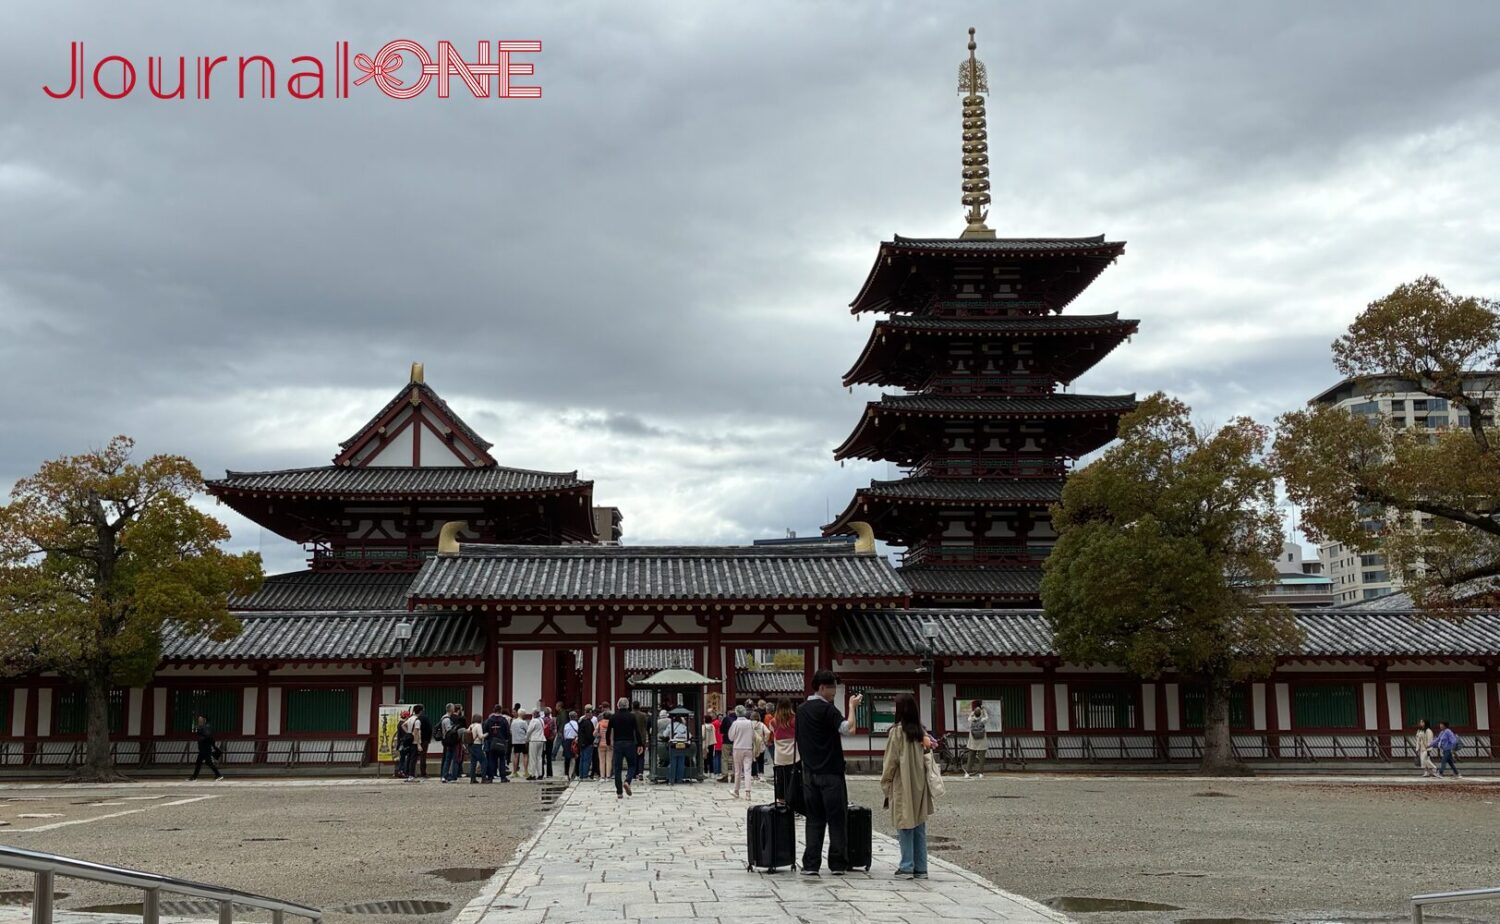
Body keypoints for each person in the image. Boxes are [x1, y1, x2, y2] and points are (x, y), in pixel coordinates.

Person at [795, 670, 862, 876]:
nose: (834, 692)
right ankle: (838, 863)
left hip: (809, 773)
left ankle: (811, 864)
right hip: (831, 772)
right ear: (822, 687)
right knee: (836, 819)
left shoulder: (802, 710)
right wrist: (852, 707)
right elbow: (847, 728)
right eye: (832, 687)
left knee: (814, 819)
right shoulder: (828, 710)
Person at [881, 692, 935, 879]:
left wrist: (885, 783)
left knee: (904, 824)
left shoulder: (896, 732)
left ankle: (906, 865)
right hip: (920, 783)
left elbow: (891, 762)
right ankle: (921, 867)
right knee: (919, 825)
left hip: (902, 783)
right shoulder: (922, 732)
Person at [607, 696, 641, 798]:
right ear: (628, 705)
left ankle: (619, 792)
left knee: (617, 768)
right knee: (632, 765)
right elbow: (637, 731)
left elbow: (608, 731)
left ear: (618, 705)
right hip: (630, 743)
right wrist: (640, 744)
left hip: (618, 743)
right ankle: (627, 781)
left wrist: (608, 743)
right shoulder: (632, 716)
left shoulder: (613, 717)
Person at [727, 704, 758, 799]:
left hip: (737, 748)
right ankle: (748, 792)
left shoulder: (735, 723)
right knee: (747, 770)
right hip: (748, 748)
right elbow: (753, 736)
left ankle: (736, 790)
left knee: (738, 771)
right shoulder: (749, 723)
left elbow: (731, 737)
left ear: (736, 713)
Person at [770, 699, 797, 803]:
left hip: (780, 755)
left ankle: (781, 801)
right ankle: (793, 801)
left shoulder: (773, 721)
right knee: (793, 779)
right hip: (793, 754)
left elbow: (772, 731)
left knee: (780, 779)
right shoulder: (795, 720)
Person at [189, 714, 223, 781]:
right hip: (203, 749)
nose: (199, 721)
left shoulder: (206, 727)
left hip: (205, 749)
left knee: (200, 763)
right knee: (205, 762)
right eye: (199, 720)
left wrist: (201, 738)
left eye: (201, 720)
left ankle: (194, 777)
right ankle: (218, 775)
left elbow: (208, 736)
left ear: (204, 720)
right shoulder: (203, 727)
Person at [484, 703, 511, 783]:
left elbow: (485, 730)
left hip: (491, 741)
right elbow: (507, 731)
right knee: (502, 759)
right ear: (500, 710)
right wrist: (506, 739)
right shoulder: (504, 720)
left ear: (494, 710)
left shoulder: (489, 720)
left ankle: (490, 777)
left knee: (491, 759)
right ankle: (503, 777)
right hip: (501, 741)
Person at [965, 699, 990, 778]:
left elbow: (969, 716)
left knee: (971, 757)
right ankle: (981, 773)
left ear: (974, 714)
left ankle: (967, 773)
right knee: (981, 758)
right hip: (982, 741)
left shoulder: (971, 720)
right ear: (980, 714)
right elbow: (987, 717)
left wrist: (973, 711)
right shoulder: (983, 720)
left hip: (973, 741)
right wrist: (983, 710)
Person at [401, 705, 425, 782]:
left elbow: (403, 725)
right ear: (420, 711)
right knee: (413, 759)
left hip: (410, 740)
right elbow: (416, 732)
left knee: (409, 758)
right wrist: (418, 744)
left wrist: (408, 733)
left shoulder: (411, 718)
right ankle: (411, 775)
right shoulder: (417, 721)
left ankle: (408, 774)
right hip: (414, 741)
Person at [438, 704, 461, 782]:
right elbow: (449, 731)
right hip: (451, 741)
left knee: (447, 759)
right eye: (453, 708)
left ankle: (444, 775)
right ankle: (451, 776)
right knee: (452, 758)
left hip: (446, 741)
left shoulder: (443, 717)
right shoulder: (447, 719)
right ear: (451, 709)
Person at [667, 711, 691, 784]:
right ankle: (679, 779)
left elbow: (665, 734)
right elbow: (689, 736)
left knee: (673, 762)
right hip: (683, 745)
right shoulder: (684, 726)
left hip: (674, 744)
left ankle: (671, 779)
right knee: (681, 762)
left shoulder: (670, 725)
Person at [466, 713, 487, 784]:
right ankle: (484, 778)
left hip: (471, 745)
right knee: (483, 761)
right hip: (477, 745)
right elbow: (480, 736)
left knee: (473, 762)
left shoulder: (471, 726)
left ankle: (472, 778)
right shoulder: (478, 726)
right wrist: (486, 734)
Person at [576, 707, 596, 781]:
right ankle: (585, 775)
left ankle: (581, 774)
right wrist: (592, 741)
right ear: (589, 713)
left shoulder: (581, 722)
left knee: (582, 759)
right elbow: (589, 734)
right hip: (587, 743)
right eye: (591, 714)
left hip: (581, 743)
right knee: (587, 760)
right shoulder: (588, 723)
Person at [527, 708, 547, 780]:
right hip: (541, 739)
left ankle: (532, 774)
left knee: (533, 758)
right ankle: (540, 774)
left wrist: (526, 739)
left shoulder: (533, 721)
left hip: (534, 740)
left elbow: (529, 731)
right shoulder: (541, 720)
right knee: (539, 758)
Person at [720, 707, 738, 784]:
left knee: (725, 758)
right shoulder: (738, 720)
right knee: (735, 759)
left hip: (726, 741)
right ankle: (734, 775)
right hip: (736, 742)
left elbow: (721, 730)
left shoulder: (726, 719)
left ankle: (725, 775)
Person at [416, 704, 434, 778]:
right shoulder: (425, 718)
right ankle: (423, 773)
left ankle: (411, 772)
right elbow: (430, 728)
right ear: (422, 710)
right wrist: (429, 739)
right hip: (424, 739)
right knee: (423, 756)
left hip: (415, 739)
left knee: (413, 756)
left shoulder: (414, 718)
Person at [511, 710, 530, 778]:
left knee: (516, 756)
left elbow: (511, 731)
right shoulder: (523, 722)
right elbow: (528, 730)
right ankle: (526, 771)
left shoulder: (513, 722)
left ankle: (514, 772)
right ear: (522, 715)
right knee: (525, 755)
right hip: (523, 741)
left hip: (515, 741)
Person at [597, 706, 613, 783]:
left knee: (602, 761)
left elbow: (594, 733)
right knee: (609, 760)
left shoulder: (600, 723)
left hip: (601, 744)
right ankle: (608, 776)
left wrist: (599, 734)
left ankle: (602, 776)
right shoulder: (612, 724)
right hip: (609, 744)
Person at [562, 710, 580, 779]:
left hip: (567, 741)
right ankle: (576, 774)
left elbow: (564, 735)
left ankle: (566, 774)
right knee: (576, 757)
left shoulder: (566, 725)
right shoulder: (578, 724)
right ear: (576, 717)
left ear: (569, 717)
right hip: (575, 741)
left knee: (567, 758)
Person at [751, 709, 768, 779]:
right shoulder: (761, 724)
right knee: (761, 760)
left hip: (752, 744)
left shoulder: (749, 724)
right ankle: (761, 774)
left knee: (753, 759)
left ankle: (754, 774)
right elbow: (768, 732)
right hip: (760, 743)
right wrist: (765, 740)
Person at [540, 707, 556, 779]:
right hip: (549, 739)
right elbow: (554, 730)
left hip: (542, 739)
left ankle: (541, 773)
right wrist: (552, 737)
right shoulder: (552, 720)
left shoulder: (541, 720)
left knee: (542, 756)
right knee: (549, 756)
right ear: (550, 713)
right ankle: (549, 773)